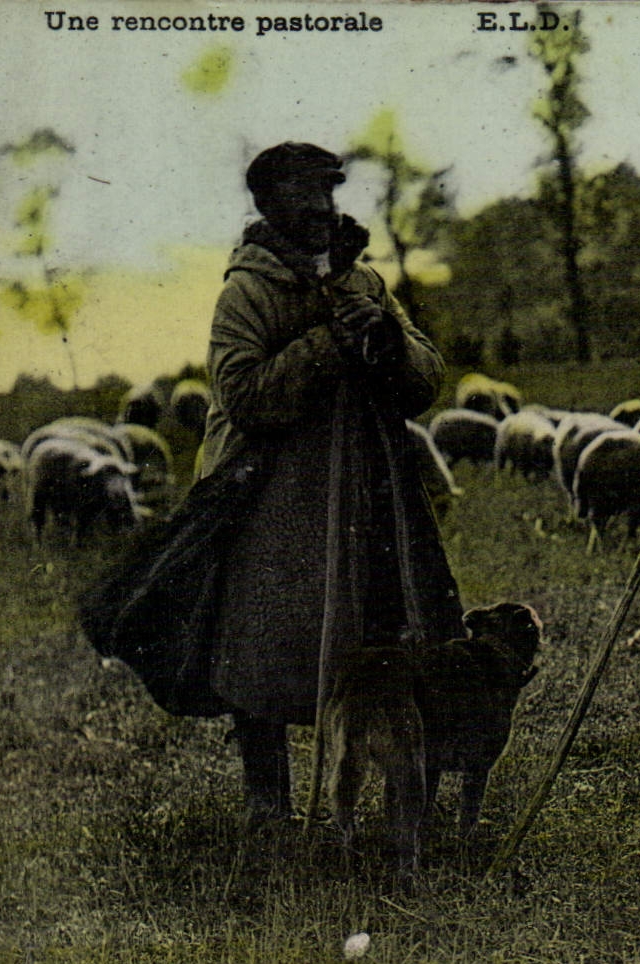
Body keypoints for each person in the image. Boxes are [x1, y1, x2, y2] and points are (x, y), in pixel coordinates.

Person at [201, 142, 464, 825]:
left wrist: (389, 342)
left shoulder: (363, 281)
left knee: (385, 631)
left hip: (364, 494)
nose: (321, 207)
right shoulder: (247, 292)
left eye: (328, 191)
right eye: (303, 194)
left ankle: (400, 794)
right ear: (267, 206)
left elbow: (425, 381)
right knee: (266, 642)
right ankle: (268, 804)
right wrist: (329, 344)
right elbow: (243, 396)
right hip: (273, 504)